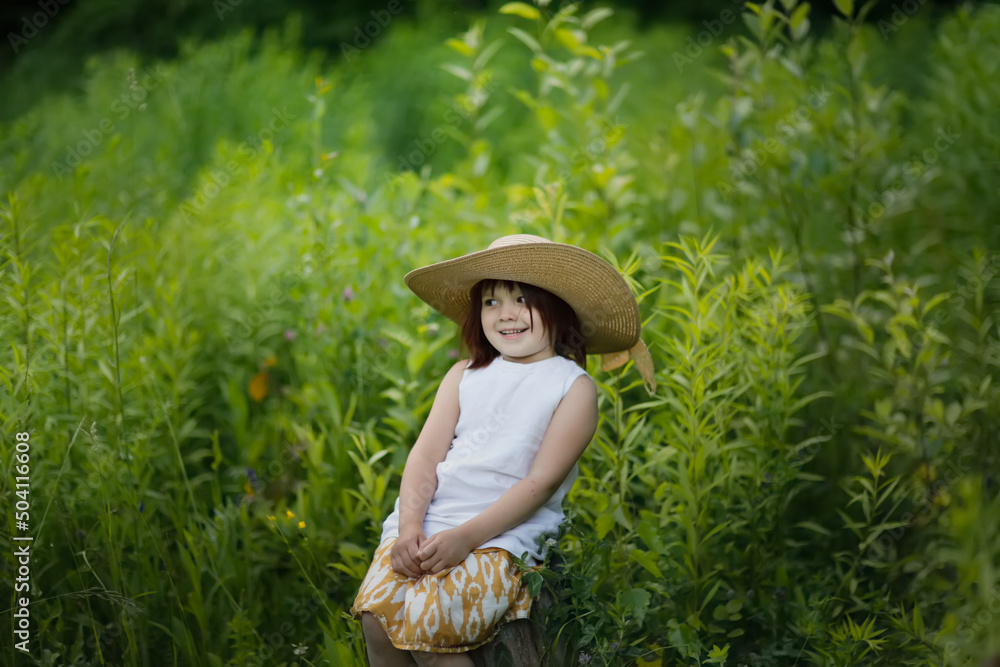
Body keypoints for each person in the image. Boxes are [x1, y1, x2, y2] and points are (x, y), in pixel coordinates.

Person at [350, 234, 656, 665]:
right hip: (429, 521)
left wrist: (466, 538)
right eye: (491, 302)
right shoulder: (464, 375)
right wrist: (408, 527)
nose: (506, 315)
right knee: (377, 623)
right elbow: (425, 457)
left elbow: (540, 481)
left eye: (521, 299)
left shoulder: (572, 387)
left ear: (557, 309)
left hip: (502, 537)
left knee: (433, 632)